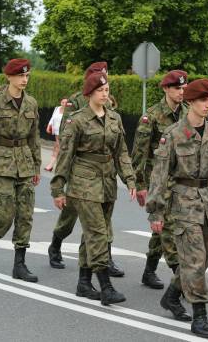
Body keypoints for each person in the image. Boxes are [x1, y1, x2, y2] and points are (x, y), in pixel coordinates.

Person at [148, 78, 208, 338]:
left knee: (201, 261)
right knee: (195, 262)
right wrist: (156, 211)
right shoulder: (173, 135)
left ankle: (172, 296)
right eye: (202, 100)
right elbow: (159, 176)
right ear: (190, 103)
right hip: (183, 204)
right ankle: (200, 317)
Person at [50, 72, 136, 305]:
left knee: (94, 234)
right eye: (100, 90)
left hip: (107, 182)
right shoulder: (77, 120)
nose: (105, 94)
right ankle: (105, 286)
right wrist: (58, 188)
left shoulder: (114, 118)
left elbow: (122, 153)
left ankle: (84, 283)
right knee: (99, 233)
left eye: (107, 90)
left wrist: (129, 179)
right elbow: (65, 156)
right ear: (89, 94)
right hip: (83, 182)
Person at [0, 58, 41, 283]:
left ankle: (20, 265)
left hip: (24, 161)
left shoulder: (31, 103)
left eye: (27, 76)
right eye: (20, 76)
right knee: (4, 215)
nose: (24, 80)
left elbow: (34, 137)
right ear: (10, 77)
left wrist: (36, 165)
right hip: (2, 162)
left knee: (25, 215)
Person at [131, 70, 187, 297]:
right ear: (166, 89)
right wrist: (140, 184)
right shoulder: (151, 116)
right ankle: (180, 278)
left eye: (184, 88)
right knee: (168, 229)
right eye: (177, 88)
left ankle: (149, 270)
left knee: (161, 228)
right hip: (158, 181)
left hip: (181, 181)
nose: (181, 92)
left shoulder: (187, 114)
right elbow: (139, 153)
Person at [44, 97, 67, 172]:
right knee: (57, 147)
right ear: (61, 102)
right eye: (63, 102)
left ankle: (53, 165)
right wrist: (48, 126)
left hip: (64, 132)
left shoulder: (69, 111)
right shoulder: (57, 108)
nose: (64, 104)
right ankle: (53, 165)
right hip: (56, 131)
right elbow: (52, 118)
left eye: (65, 103)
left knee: (59, 147)